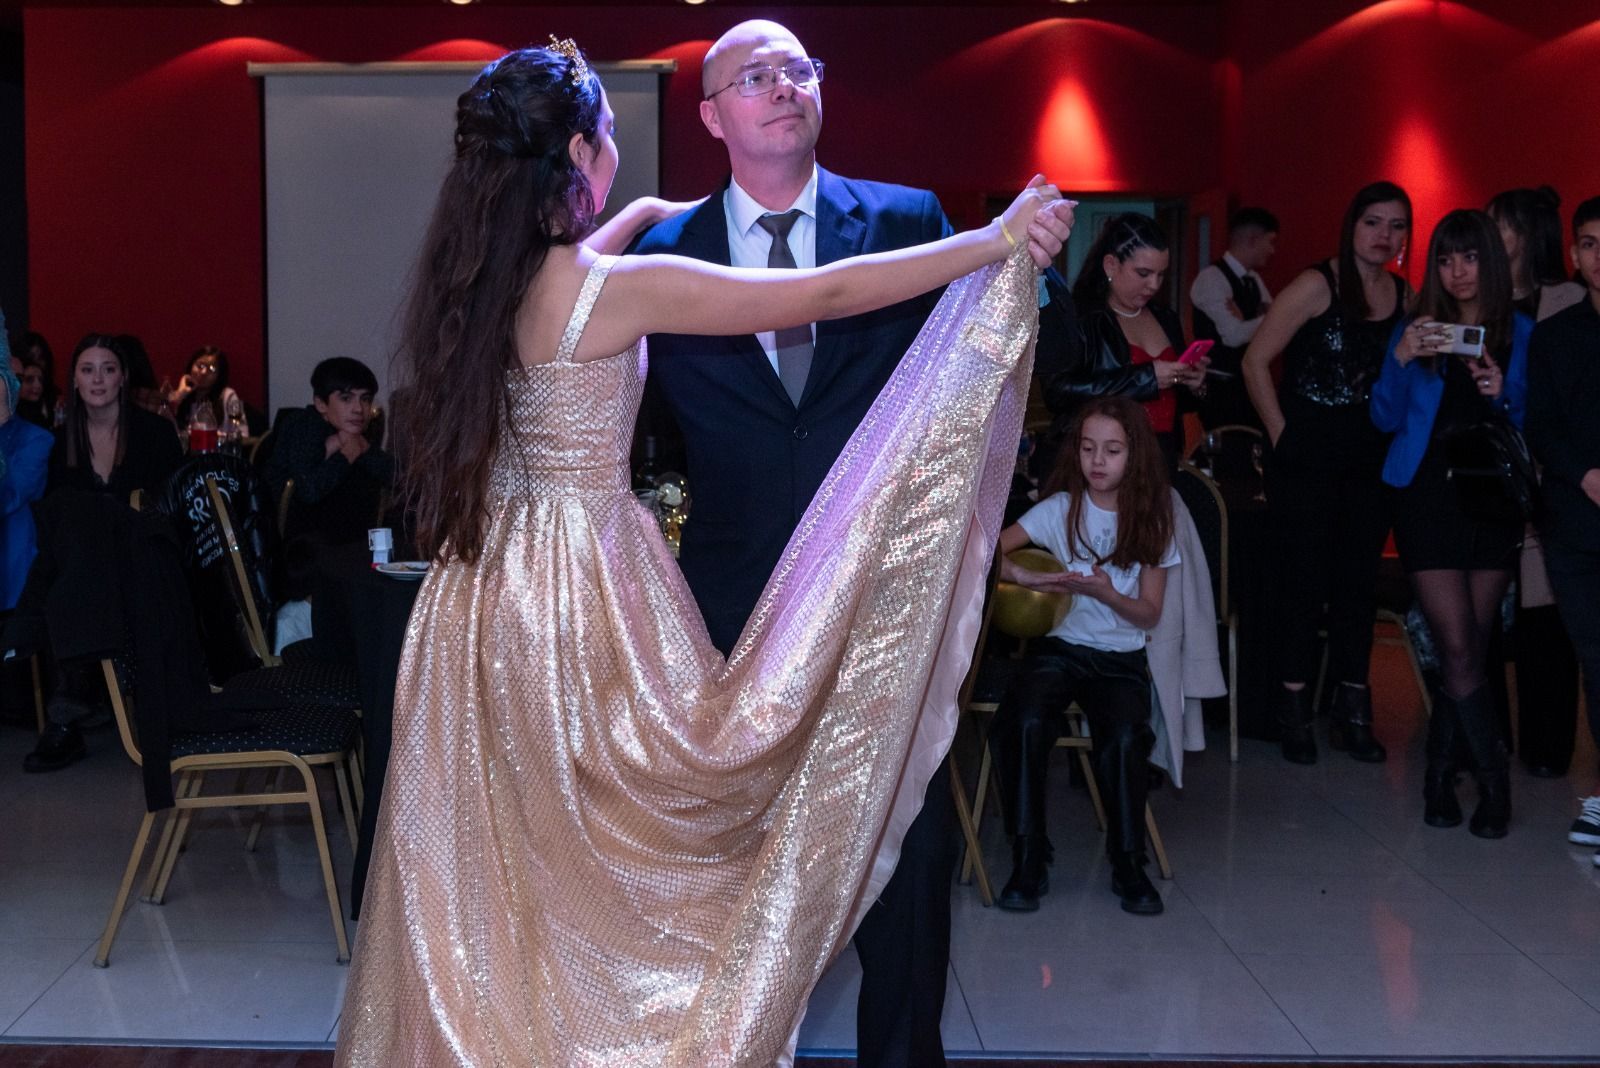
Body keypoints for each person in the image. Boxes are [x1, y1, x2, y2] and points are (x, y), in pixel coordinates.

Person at [333, 44, 1064, 1067]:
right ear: (576, 157)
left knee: (526, 877)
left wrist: (632, 212)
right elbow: (828, 294)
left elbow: (580, 274)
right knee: (677, 848)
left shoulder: (486, 284)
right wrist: (990, 241)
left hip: (487, 601)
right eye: (608, 143)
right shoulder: (620, 291)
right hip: (583, 593)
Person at [628, 21, 1071, 1068]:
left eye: (800, 69)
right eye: (755, 76)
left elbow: (993, 364)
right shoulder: (662, 252)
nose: (784, 86)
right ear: (711, 117)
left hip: (883, 602)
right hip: (728, 604)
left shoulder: (908, 222)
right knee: (728, 869)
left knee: (905, 856)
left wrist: (1034, 265)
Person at [1371, 209, 1529, 837]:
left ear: (1490, 261)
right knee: (1457, 645)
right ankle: (1494, 785)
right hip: (1426, 499)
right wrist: (1401, 356)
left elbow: (1536, 420)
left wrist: (1501, 392)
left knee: (1472, 648)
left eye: (1468, 257)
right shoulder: (1417, 330)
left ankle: (1438, 775)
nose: (1457, 272)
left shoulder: (1520, 331)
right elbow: (1384, 418)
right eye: (1444, 259)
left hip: (1492, 502)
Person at [1243, 181, 1411, 765]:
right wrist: (1282, 435)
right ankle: (1293, 710)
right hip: (1307, 460)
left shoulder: (1405, 294)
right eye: (1373, 222)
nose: (1384, 235)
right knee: (1303, 584)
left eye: (1396, 225)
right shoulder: (1317, 284)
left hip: (1370, 462)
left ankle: (1352, 710)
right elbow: (1255, 361)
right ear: (1352, 225)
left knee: (1357, 587)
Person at [989, 396, 1177, 915]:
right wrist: (1021, 575)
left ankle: (1128, 861)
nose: (1098, 461)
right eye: (1089, 448)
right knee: (1024, 720)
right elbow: (986, 550)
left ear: (1134, 455)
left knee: (1124, 736)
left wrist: (1107, 594)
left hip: (1120, 656)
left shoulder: (1152, 519)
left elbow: (1149, 614)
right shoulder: (1060, 509)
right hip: (1060, 649)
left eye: (1112, 451)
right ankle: (1028, 855)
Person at [1486, 186, 1585, 777]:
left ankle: (1547, 748)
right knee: (1483, 619)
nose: (1489, 236)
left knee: (1547, 619)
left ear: (1528, 235)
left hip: (1550, 478)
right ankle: (1487, 741)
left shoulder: (1567, 299)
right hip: (1487, 476)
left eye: (1499, 226)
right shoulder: (1481, 298)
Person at [1525, 195, 1600, 867]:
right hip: (1574, 520)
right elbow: (1540, 425)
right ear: (1574, 254)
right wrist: (1584, 475)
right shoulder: (1555, 334)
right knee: (1596, 662)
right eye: (1591, 243)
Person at [1033, 213, 1204, 473]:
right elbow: (1057, 392)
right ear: (1111, 265)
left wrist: (1193, 384)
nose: (1154, 285)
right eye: (1143, 273)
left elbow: (1172, 404)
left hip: (1161, 458)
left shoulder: (1166, 318)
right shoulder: (1082, 318)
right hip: (1097, 464)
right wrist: (1147, 378)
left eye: (1161, 275)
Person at [263, 357, 393, 559]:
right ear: (321, 404)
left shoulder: (354, 435)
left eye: (365, 399)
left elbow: (398, 479)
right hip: (295, 556)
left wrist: (363, 448)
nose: (359, 409)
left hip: (344, 548)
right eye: (346, 399)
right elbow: (308, 490)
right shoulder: (303, 426)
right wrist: (347, 454)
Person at [47, 333, 183, 500]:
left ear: (122, 378)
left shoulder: (157, 433)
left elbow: (177, 502)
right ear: (75, 379)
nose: (97, 379)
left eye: (109, 369)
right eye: (87, 370)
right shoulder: (57, 442)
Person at [1191, 207, 1278, 429]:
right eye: (1270, 242)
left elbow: (1274, 318)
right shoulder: (1211, 278)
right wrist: (1267, 319)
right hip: (1221, 390)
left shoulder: (1253, 278)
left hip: (1249, 386)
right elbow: (1233, 336)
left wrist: (1255, 319)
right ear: (1253, 239)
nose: (1272, 250)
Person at [167, 345, 244, 434]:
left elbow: (243, 433)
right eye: (200, 366)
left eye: (212, 369)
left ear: (219, 374)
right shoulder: (181, 395)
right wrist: (180, 394)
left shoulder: (227, 395)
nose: (204, 372)